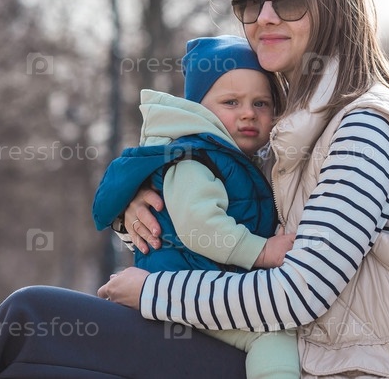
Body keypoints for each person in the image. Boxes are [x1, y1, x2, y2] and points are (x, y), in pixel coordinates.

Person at [0, 0, 389, 379]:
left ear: (335, 7)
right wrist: (145, 207)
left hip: (326, 367)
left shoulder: (364, 129)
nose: (265, 16)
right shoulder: (298, 126)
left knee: (31, 320)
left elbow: (298, 294)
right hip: (288, 354)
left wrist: (152, 293)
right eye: (251, 0)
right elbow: (226, 210)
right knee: (30, 341)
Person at [92, 34, 299, 378]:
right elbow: (200, 226)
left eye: (261, 103)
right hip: (179, 289)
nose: (248, 113)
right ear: (199, 110)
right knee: (271, 334)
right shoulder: (195, 159)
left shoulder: (235, 160)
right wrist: (262, 252)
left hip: (197, 287)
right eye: (231, 102)